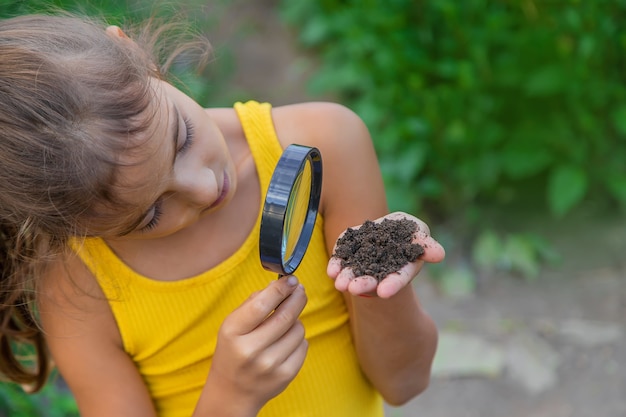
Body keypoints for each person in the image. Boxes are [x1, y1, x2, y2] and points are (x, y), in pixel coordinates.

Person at [0, 12, 445, 417]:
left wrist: (380, 280)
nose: (207, 189)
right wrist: (231, 398)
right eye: (151, 214)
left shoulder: (326, 140)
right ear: (77, 225)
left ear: (129, 50)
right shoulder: (77, 283)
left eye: (183, 139)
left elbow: (404, 382)